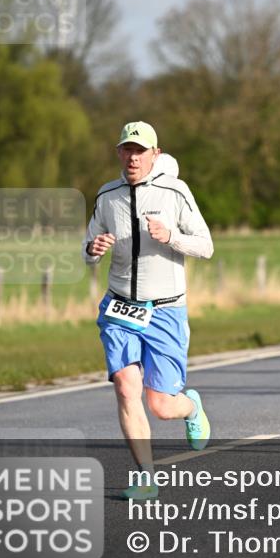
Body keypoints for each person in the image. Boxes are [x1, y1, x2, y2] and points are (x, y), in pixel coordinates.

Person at [83, 121, 213, 500]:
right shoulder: (108, 196)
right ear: (119, 153)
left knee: (160, 405)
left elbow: (205, 246)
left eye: (140, 151)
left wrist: (171, 237)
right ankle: (146, 478)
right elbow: (86, 248)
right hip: (120, 305)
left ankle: (190, 407)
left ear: (155, 154)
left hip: (166, 310)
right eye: (126, 149)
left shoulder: (175, 192)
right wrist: (92, 250)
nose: (132, 157)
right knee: (126, 387)